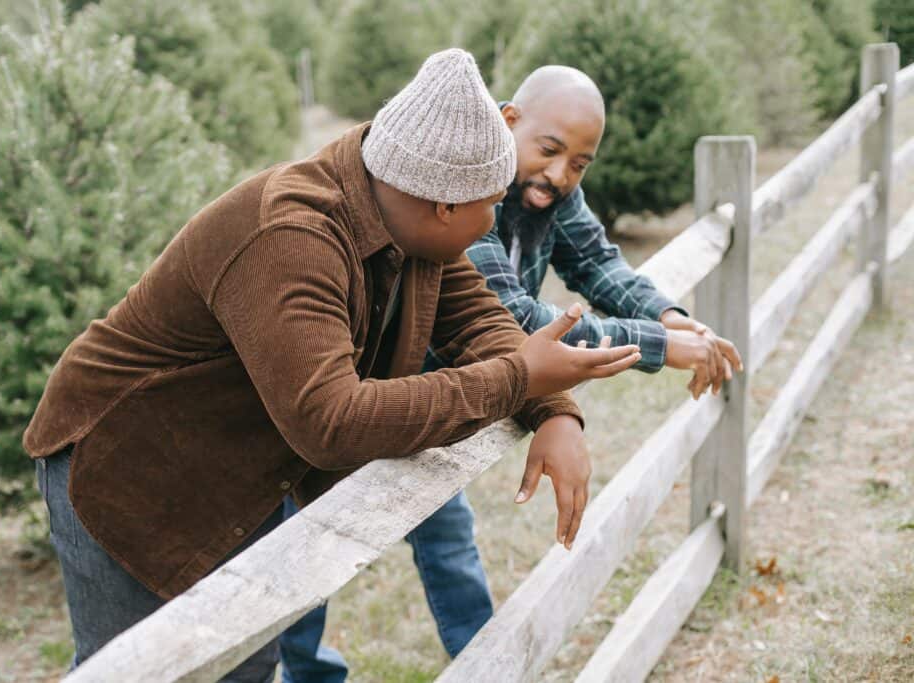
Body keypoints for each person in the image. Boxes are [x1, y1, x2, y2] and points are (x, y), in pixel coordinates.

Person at [23, 49, 641, 682]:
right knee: (133, 671)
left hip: (239, 466)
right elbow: (330, 421)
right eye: (491, 204)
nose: (495, 218)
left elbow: (481, 324)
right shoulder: (291, 234)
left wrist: (553, 410)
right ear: (446, 207)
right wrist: (517, 379)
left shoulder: (407, 208)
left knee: (243, 662)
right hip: (127, 463)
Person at [279, 65, 744, 683]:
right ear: (508, 122)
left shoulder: (554, 194)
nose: (559, 175)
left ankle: (484, 667)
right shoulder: (464, 190)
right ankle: (306, 671)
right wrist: (658, 345)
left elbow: (599, 264)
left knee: (449, 539)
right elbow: (513, 315)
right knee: (305, 543)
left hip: (451, 407)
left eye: (579, 164)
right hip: (378, 387)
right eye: (549, 151)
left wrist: (669, 315)